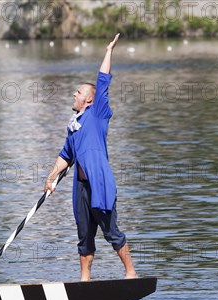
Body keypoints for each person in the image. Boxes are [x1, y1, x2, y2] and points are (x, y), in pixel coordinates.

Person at [44, 34, 137, 281]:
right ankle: (85, 281)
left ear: (89, 98)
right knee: (84, 236)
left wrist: (108, 51)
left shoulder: (98, 113)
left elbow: (103, 81)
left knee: (111, 231)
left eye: (78, 92)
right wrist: (51, 178)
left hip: (99, 184)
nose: (74, 95)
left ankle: (130, 273)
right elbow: (65, 156)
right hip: (81, 188)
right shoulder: (73, 126)